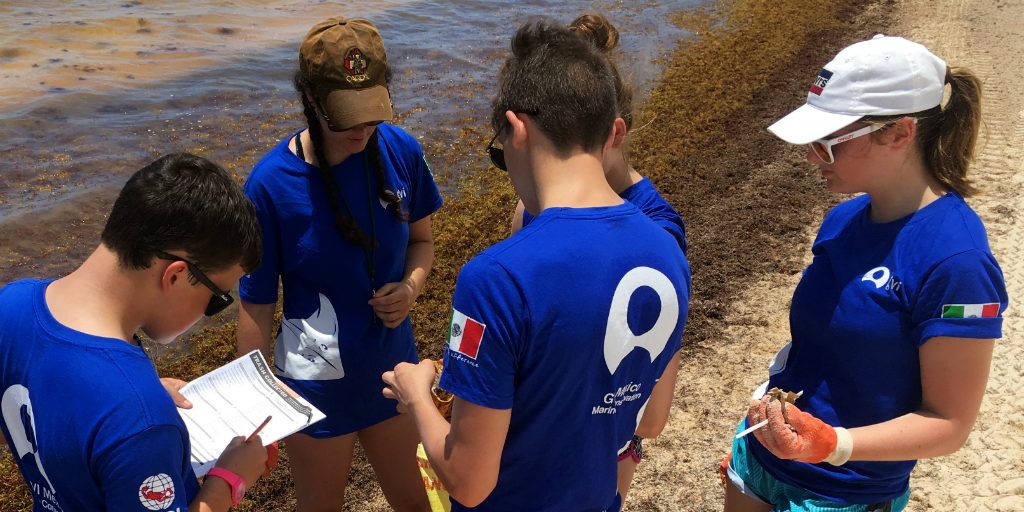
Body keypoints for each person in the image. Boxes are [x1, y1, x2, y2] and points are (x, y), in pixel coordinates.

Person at [382, 18, 690, 512]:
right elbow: (649, 422)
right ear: (608, 130)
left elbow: (468, 480)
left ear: (517, 129)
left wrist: (418, 395)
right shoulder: (666, 249)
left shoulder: (494, 277)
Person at [722, 35, 1008, 512]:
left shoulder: (957, 262)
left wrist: (833, 444)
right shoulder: (843, 219)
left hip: (843, 493)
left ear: (899, 133)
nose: (812, 157)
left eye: (826, 143)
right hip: (759, 461)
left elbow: (950, 425)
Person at [236, 15, 441, 512]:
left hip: (395, 374)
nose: (361, 130)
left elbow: (422, 243)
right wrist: (254, 409)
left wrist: (410, 288)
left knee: (420, 503)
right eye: (344, 117)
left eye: (372, 115)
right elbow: (256, 306)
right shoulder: (270, 186)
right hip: (313, 386)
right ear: (311, 101)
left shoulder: (402, 151)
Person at [0, 152, 270, 511]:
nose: (210, 314)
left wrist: (132, 390)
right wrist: (230, 480)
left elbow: (55, 396)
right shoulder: (142, 421)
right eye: (216, 299)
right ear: (173, 276)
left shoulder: (12, 304)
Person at [510, 13, 688, 257]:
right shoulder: (530, 207)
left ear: (615, 135)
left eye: (580, 139)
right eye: (557, 141)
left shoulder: (658, 227)